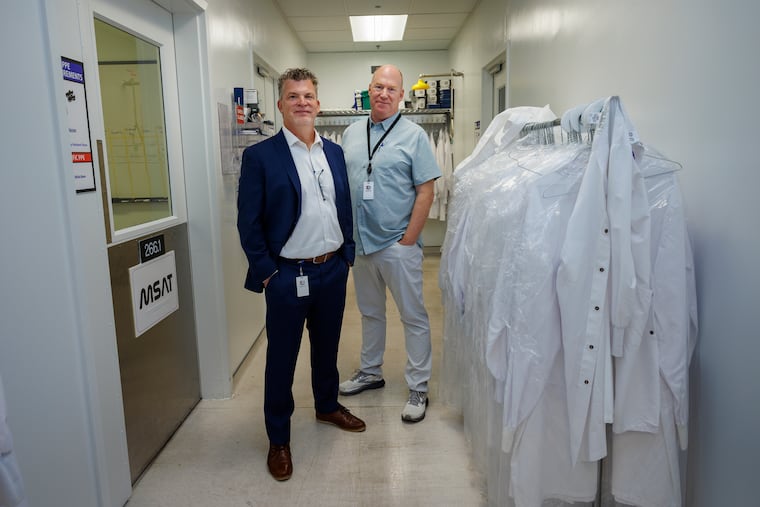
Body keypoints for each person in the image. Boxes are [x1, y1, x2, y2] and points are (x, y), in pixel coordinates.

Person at [237, 68, 365, 482]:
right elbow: (248, 224)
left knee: (327, 349)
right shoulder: (261, 157)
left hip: (331, 270)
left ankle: (327, 406)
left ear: (318, 103)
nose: (302, 103)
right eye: (293, 96)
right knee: (281, 360)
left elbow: (343, 206)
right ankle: (278, 438)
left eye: (308, 95)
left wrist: (346, 253)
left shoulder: (333, 152)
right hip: (288, 276)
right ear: (281, 105)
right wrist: (268, 273)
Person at [339, 64, 442, 423]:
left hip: (397, 244)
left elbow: (426, 191)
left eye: (391, 89)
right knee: (370, 312)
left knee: (413, 316)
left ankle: (418, 386)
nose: (383, 94)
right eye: (377, 87)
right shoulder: (350, 134)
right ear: (369, 90)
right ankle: (371, 371)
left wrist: (408, 239)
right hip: (361, 243)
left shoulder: (414, 136)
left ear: (401, 96)